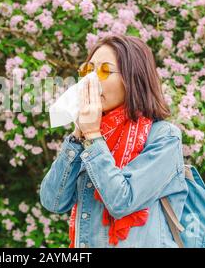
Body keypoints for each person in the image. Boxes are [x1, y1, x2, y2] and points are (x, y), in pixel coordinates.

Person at [40, 34, 188, 248]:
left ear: (132, 79)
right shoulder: (91, 137)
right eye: (88, 70)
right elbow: (53, 201)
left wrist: (92, 136)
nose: (91, 79)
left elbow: (122, 201)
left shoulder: (164, 137)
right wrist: (78, 137)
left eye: (104, 71)